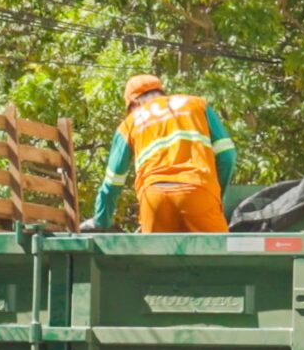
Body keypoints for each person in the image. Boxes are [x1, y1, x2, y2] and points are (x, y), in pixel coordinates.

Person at [84, 74, 237, 233]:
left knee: (156, 250)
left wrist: (101, 220)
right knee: (217, 249)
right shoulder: (197, 104)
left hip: (153, 198)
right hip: (197, 192)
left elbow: (113, 181)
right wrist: (215, 195)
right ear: (161, 92)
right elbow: (227, 156)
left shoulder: (130, 123)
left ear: (135, 103)